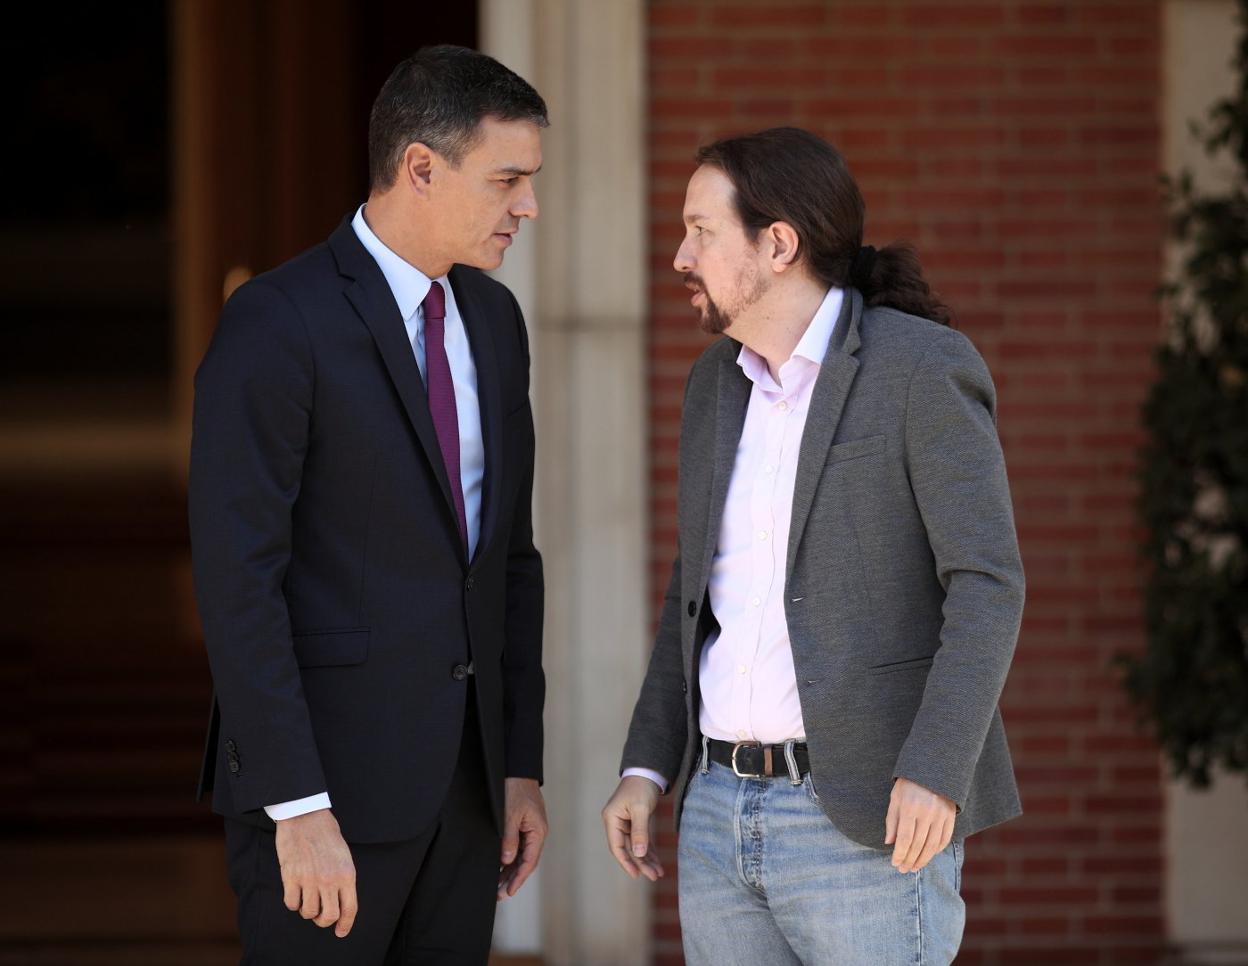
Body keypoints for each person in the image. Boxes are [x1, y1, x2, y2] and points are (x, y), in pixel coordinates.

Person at [603, 127, 1025, 966]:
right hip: (716, 814)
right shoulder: (713, 384)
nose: (681, 256)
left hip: (867, 821)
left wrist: (936, 770)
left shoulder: (921, 368)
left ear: (779, 244)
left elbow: (987, 584)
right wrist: (646, 767)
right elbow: (694, 589)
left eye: (701, 231)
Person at [190, 45, 548, 965]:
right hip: (326, 802)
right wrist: (297, 804)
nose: (528, 207)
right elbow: (239, 579)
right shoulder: (279, 320)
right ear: (420, 167)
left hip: (468, 804)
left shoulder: (496, 322)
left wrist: (517, 764)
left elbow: (509, 559)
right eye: (507, 179)